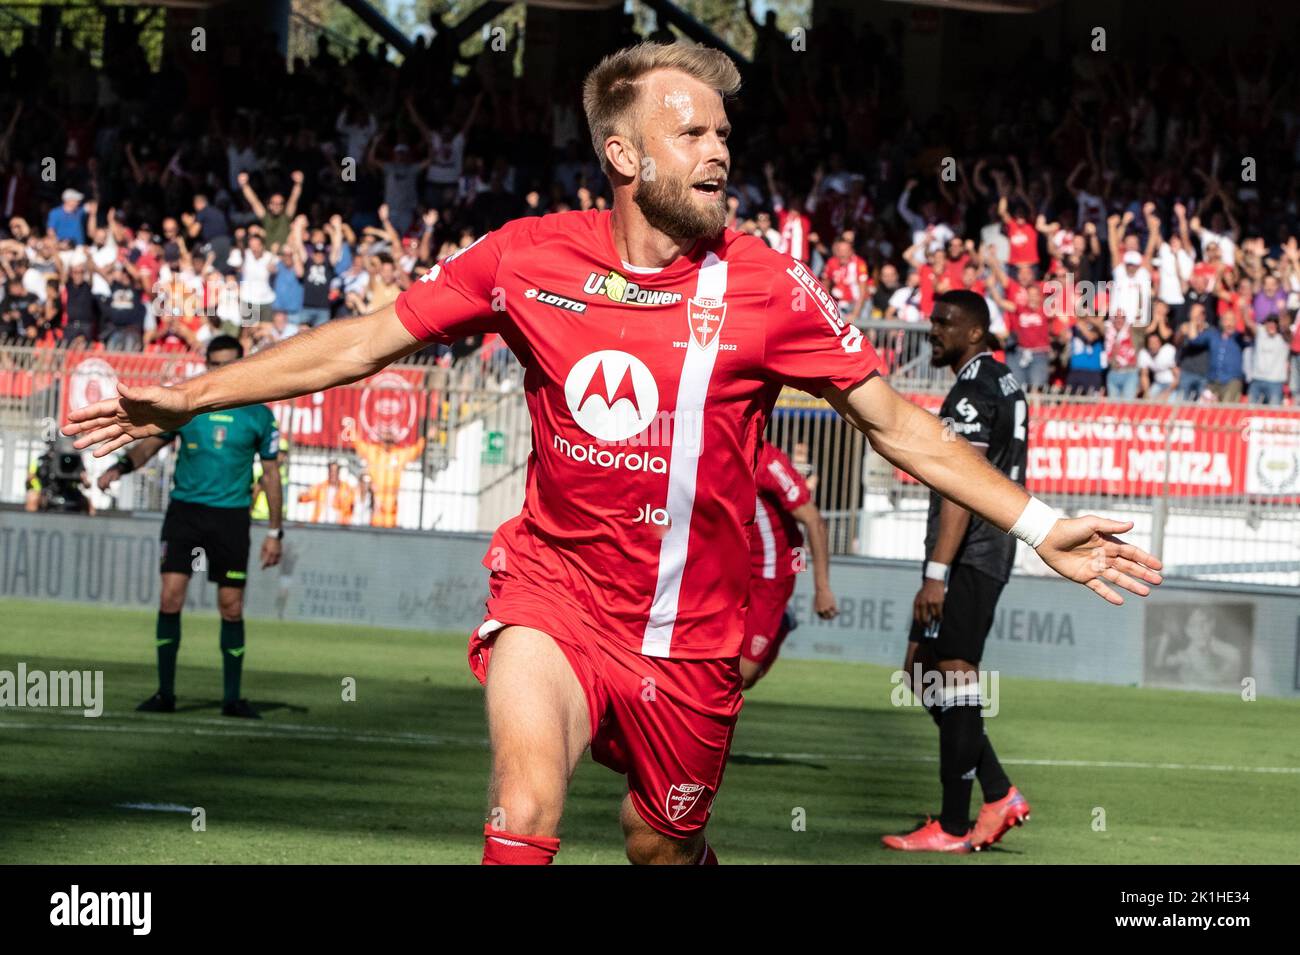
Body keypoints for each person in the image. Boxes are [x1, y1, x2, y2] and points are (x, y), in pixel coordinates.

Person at [66, 42, 1162, 865]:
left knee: (657, 844)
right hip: (555, 590)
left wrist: (1039, 523)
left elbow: (896, 422)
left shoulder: (767, 284)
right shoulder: (526, 257)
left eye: (724, 134)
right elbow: (366, 338)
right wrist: (191, 394)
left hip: (692, 639)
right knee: (526, 807)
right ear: (624, 154)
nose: (720, 150)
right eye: (694, 134)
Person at [885, 290, 1031, 854]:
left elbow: (960, 489)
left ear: (975, 332)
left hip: (972, 551)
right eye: (932, 322)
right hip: (985, 548)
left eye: (944, 323)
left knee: (953, 672)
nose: (934, 332)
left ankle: (951, 825)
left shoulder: (971, 391)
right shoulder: (1003, 378)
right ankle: (998, 793)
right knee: (922, 670)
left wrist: (936, 572)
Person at [94, 336, 282, 719]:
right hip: (185, 513)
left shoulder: (259, 414)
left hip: (231, 517)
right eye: (213, 363)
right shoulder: (187, 406)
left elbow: (272, 473)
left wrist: (276, 532)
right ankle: (165, 693)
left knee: (231, 607)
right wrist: (122, 466)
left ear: (240, 364)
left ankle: (232, 698)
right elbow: (152, 443)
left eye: (226, 363)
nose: (219, 370)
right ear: (206, 363)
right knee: (170, 599)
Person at [740, 438, 837, 689]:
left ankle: (781, 622)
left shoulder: (768, 462)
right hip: (731, 567)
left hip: (771, 573)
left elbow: (814, 521)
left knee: (743, 676)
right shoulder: (708, 453)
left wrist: (823, 589)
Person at [298, 460, 356, 524]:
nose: (333, 474)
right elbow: (305, 497)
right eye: (331, 471)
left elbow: (352, 504)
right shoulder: (321, 487)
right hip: (320, 523)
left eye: (335, 471)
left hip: (339, 525)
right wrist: (301, 495)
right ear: (328, 472)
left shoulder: (346, 488)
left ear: (338, 472)